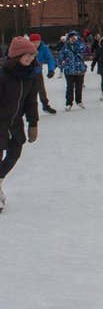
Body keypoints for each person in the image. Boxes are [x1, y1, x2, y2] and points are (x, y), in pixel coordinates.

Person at [0, 37, 41, 213]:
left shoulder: (31, 74)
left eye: (32, 55)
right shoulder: (3, 74)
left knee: (15, 153)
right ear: (16, 56)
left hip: (15, 122)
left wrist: (33, 123)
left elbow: (31, 101)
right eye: (26, 55)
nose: (30, 58)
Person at [28, 34, 57, 113]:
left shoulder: (44, 48)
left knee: (41, 89)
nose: (36, 44)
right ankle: (25, 107)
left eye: (38, 42)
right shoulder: (26, 48)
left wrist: (51, 70)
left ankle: (45, 105)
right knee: (27, 91)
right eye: (34, 42)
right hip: (26, 72)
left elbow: (50, 58)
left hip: (37, 72)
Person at [58, 31, 87, 111]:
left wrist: (77, 42)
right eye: (71, 37)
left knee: (79, 86)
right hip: (69, 70)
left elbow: (83, 49)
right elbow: (60, 56)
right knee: (70, 87)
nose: (73, 39)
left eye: (74, 37)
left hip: (79, 70)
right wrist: (61, 65)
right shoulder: (65, 46)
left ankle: (79, 101)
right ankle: (68, 103)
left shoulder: (80, 45)